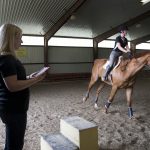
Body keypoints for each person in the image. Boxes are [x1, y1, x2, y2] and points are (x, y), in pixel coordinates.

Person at [0, 24, 48, 150]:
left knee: (13, 142)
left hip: (14, 108)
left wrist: (28, 77)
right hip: (13, 109)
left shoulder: (9, 58)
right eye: (19, 38)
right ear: (11, 38)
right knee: (15, 145)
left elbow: (14, 79)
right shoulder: (7, 59)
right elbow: (13, 86)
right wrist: (35, 80)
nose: (22, 40)